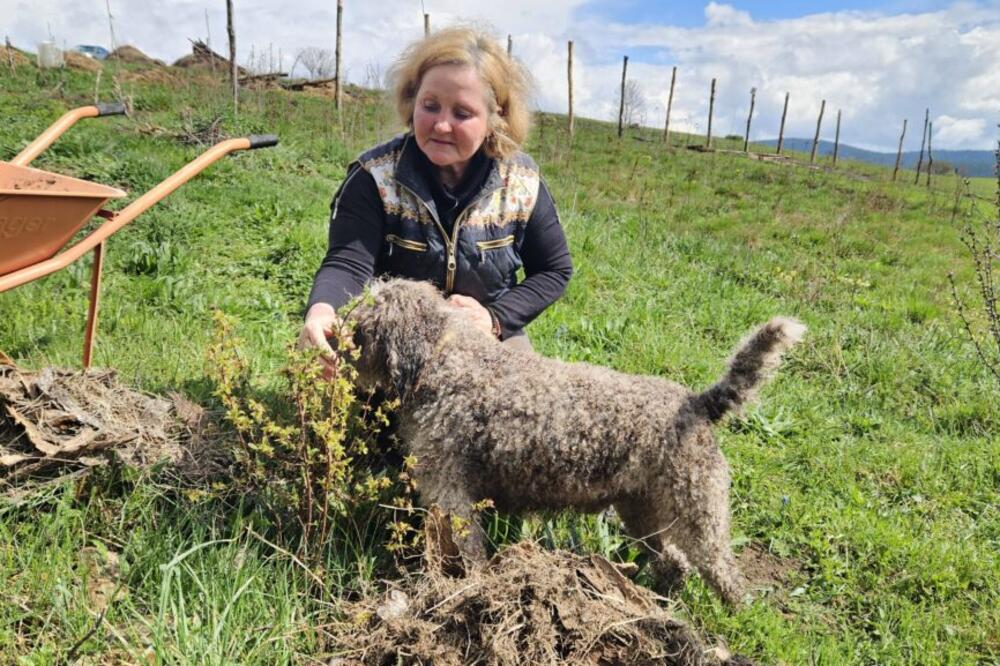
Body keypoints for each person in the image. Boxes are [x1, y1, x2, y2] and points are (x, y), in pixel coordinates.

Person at [299, 27, 572, 364]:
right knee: (326, 381)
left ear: (495, 118)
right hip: (391, 334)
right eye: (431, 106)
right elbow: (348, 263)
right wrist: (323, 309)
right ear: (412, 101)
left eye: (462, 113)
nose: (442, 125)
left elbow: (554, 270)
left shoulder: (521, 183)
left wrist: (494, 317)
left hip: (484, 334)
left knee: (520, 405)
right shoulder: (375, 177)